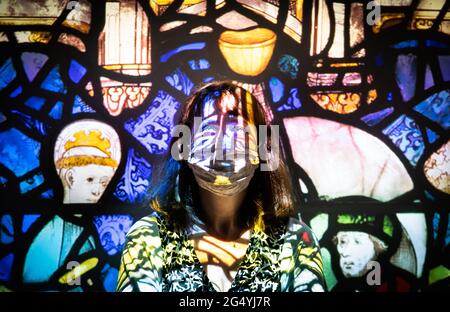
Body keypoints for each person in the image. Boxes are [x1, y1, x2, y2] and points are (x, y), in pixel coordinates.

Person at [116, 81, 325, 292]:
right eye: (208, 131)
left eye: (238, 130)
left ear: (263, 147)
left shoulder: (295, 240)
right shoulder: (149, 238)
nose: (223, 144)